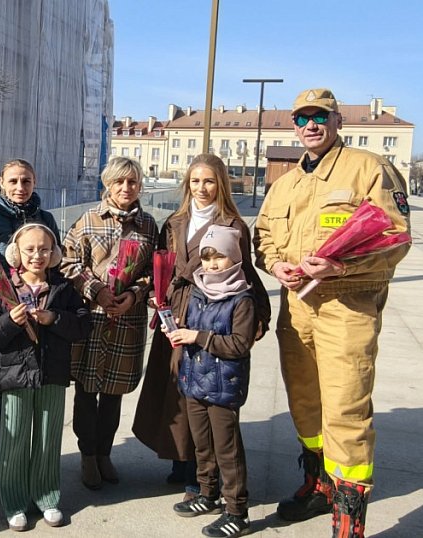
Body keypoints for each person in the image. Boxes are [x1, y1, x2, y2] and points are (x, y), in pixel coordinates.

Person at [254, 88, 411, 537]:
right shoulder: (285, 184)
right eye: (302, 119)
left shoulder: (369, 169)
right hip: (297, 308)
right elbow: (263, 236)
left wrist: (342, 266)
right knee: (305, 404)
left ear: (337, 120)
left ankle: (349, 522)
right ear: (294, 126)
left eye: (320, 116)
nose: (311, 125)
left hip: (347, 307)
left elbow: (396, 236)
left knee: (346, 411)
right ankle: (319, 485)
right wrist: (275, 265)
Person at [132, 153, 270, 501]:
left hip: (210, 315)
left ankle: (201, 472)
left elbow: (244, 271)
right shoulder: (175, 222)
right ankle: (180, 460)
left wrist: (257, 314)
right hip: (174, 314)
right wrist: (155, 294)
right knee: (174, 391)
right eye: (195, 181)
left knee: (204, 389)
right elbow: (161, 265)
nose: (202, 188)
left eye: (209, 181)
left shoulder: (232, 224)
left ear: (220, 183)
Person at [0, 223, 91, 531]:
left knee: (47, 439)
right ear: (16, 253)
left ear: (54, 253)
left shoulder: (63, 288)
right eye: (29, 249)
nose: (37, 255)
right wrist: (9, 321)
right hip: (15, 377)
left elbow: (83, 325)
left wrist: (54, 318)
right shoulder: (4, 289)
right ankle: (14, 501)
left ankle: (47, 496)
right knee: (13, 441)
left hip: (53, 375)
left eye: (44, 249)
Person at [0, 159, 60, 496]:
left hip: (37, 327)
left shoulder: (45, 219)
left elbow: (55, 265)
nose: (20, 187)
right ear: (1, 182)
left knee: (31, 395)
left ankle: (27, 462)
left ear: (35, 182)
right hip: (1, 324)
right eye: (13, 181)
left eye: (26, 181)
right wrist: (1, 303)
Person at [60, 156, 157, 489]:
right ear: (107, 184)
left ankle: (104, 453)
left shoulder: (148, 225)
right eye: (119, 181)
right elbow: (69, 263)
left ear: (140, 185)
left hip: (126, 319)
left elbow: (153, 270)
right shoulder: (88, 220)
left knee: (114, 393)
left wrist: (134, 295)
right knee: (87, 391)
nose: (126, 188)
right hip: (93, 317)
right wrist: (97, 290)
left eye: (132, 182)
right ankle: (87, 454)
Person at [167, 225, 258, 538]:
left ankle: (237, 511)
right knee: (202, 444)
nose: (212, 264)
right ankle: (207, 493)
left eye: (219, 257)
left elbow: (239, 344)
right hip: (195, 381)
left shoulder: (242, 298)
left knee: (227, 450)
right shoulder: (198, 289)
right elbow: (190, 326)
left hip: (223, 385)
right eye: (207, 258)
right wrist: (177, 329)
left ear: (234, 257)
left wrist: (198, 336)